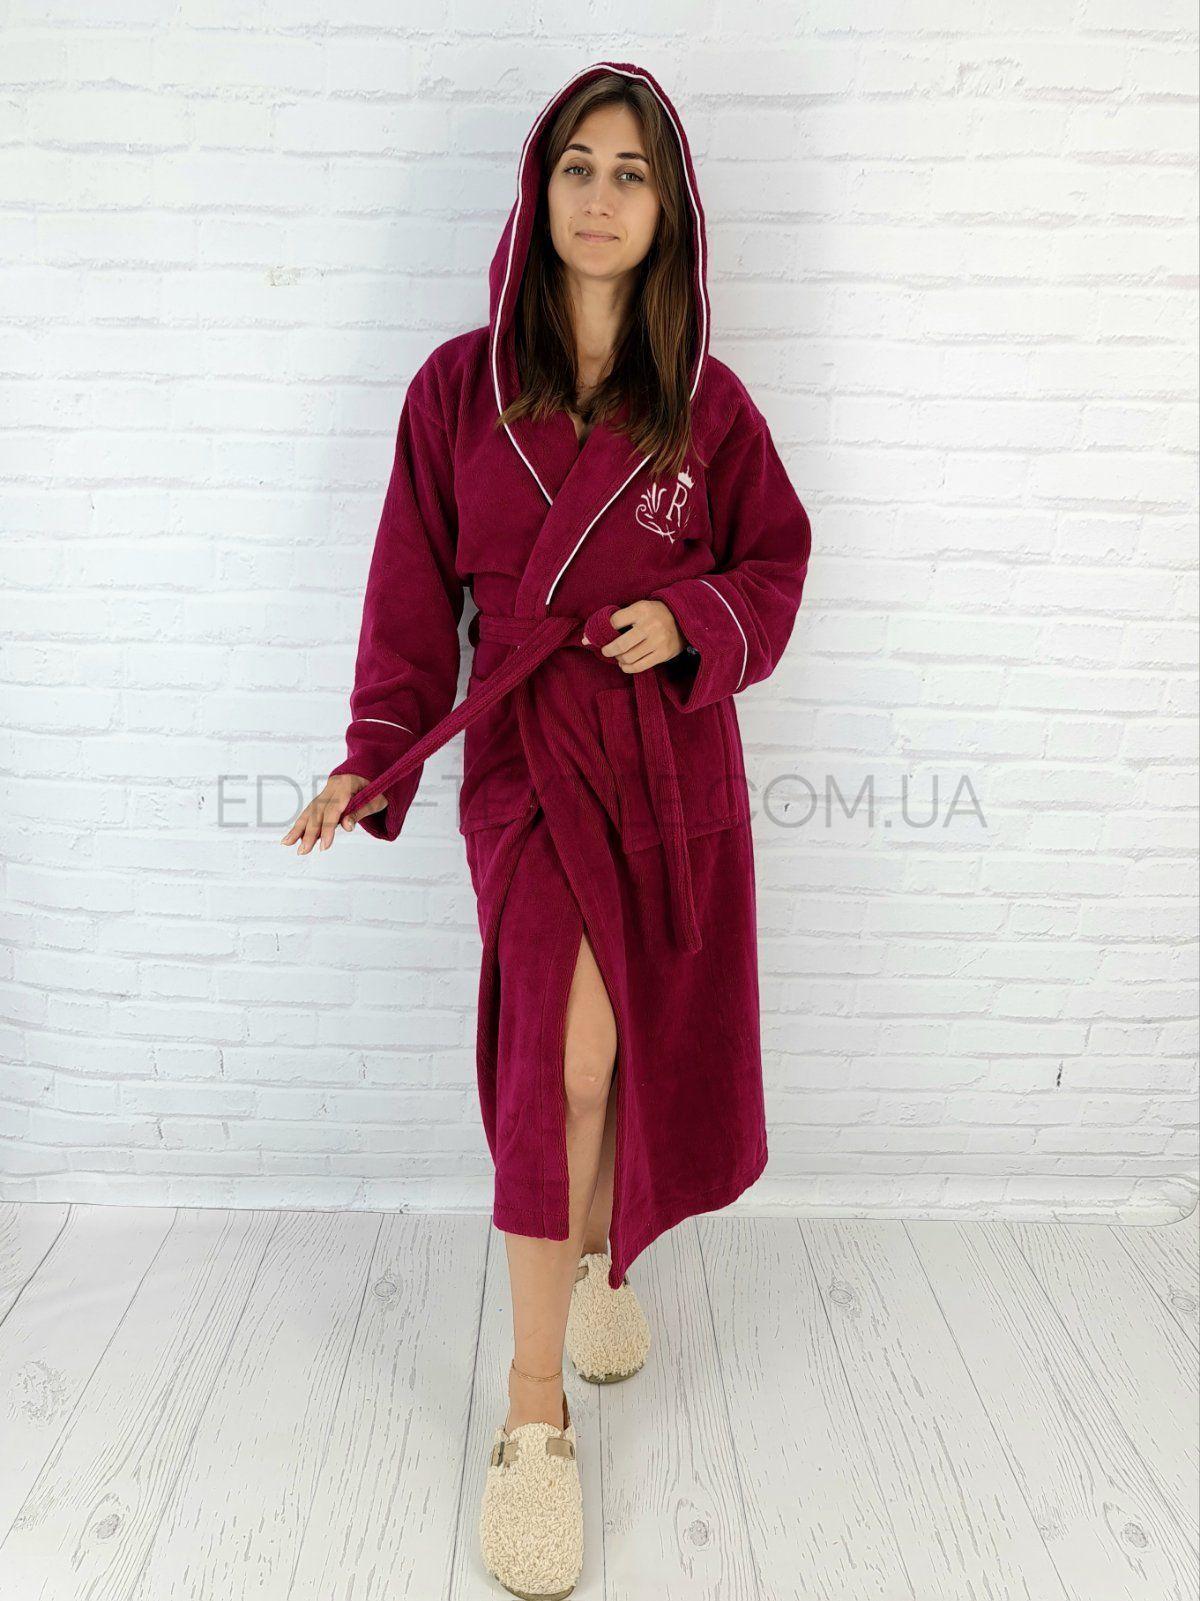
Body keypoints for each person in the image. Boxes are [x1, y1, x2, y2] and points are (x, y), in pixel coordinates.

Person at [283, 59, 812, 1601]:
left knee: (633, 1040)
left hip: (669, 761)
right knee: (560, 1063)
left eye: (631, 173)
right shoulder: (455, 391)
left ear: (669, 213)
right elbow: (407, 602)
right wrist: (376, 756)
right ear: (539, 188)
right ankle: (533, 1417)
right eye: (579, 164)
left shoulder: (709, 407)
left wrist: (693, 615)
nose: (600, 195)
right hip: (523, 761)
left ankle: (600, 1255)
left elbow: (777, 564)